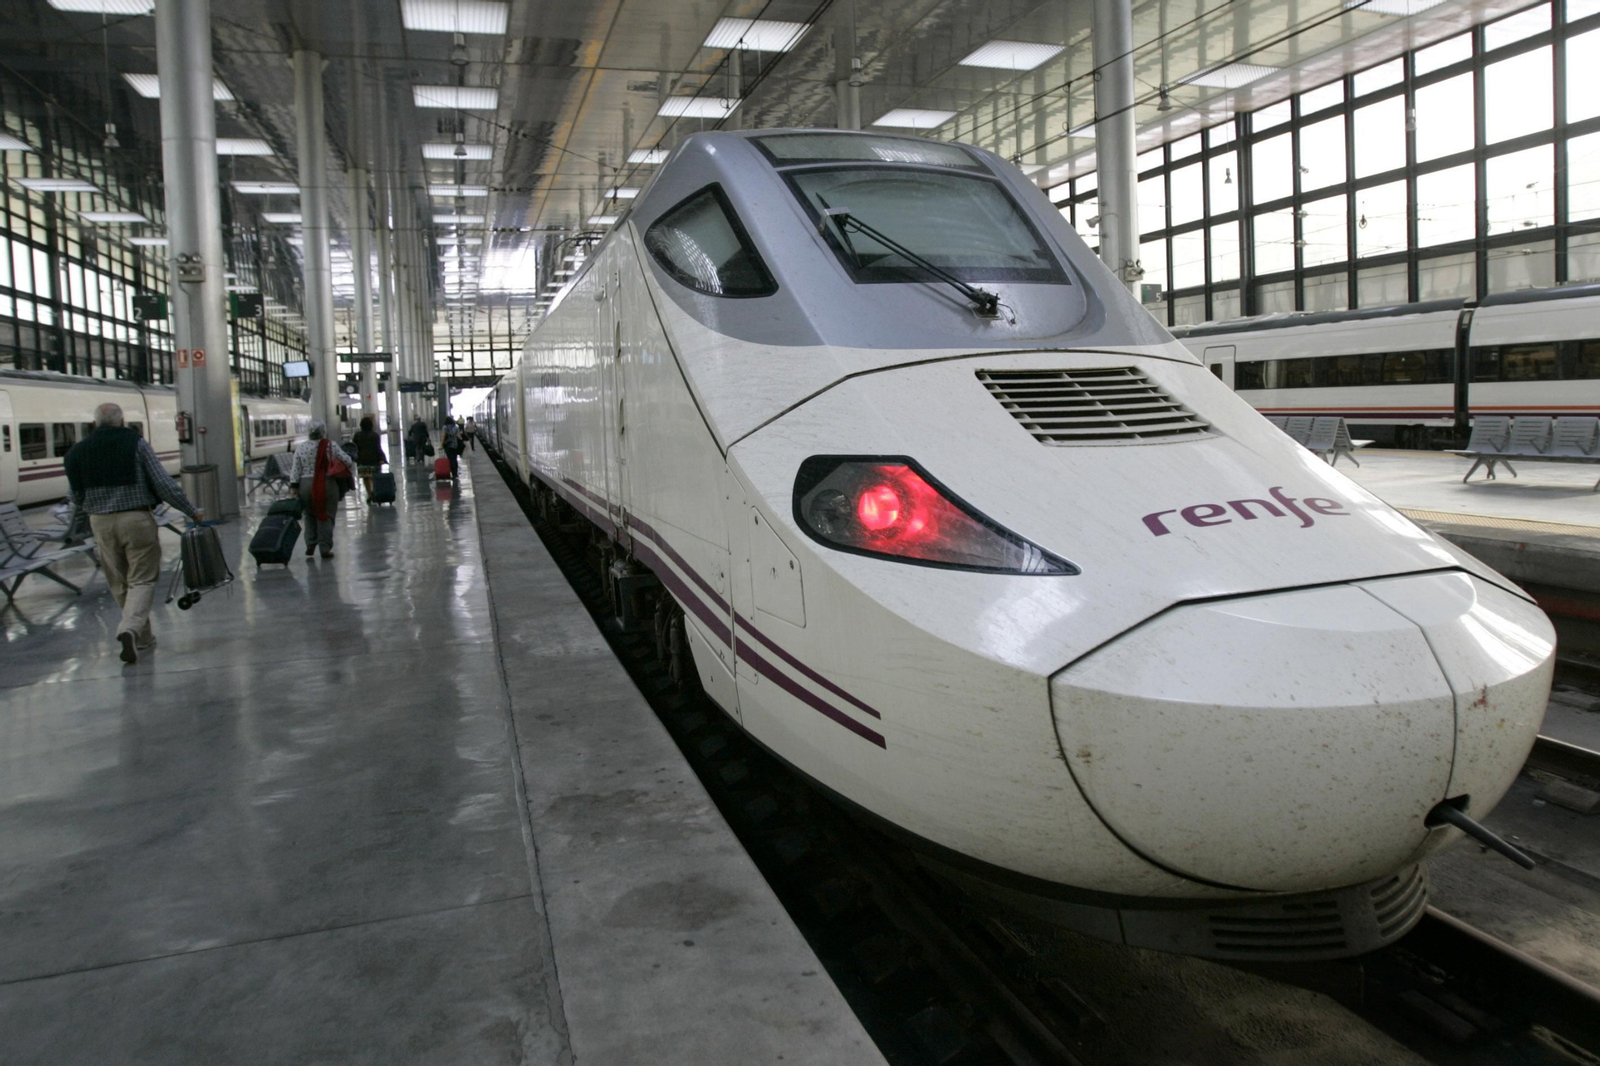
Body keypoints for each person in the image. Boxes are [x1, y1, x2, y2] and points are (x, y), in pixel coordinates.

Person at [64, 402, 203, 665]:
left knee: (119, 581)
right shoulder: (136, 444)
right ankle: (129, 629)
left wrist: (94, 510)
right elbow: (163, 484)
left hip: (100, 523)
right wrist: (191, 511)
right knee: (142, 580)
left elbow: (74, 496)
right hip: (136, 519)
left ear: (95, 424)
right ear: (122, 420)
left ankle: (142, 637)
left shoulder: (76, 452)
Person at [286, 421, 355, 559]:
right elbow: (348, 461)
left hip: (305, 486)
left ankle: (310, 544)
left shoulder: (301, 447)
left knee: (309, 515)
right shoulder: (330, 445)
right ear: (323, 432)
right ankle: (325, 548)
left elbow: (295, 470)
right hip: (326, 483)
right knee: (326, 516)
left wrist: (294, 487)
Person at [351, 416, 387, 504]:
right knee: (374, 477)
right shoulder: (375, 435)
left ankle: (370, 494)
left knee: (366, 478)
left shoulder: (357, 435)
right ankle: (375, 493)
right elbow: (378, 448)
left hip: (362, 460)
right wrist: (382, 458)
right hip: (374, 460)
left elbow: (354, 447)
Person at [440, 416, 463, 480]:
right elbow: (458, 436)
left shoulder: (445, 427)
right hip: (455, 445)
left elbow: (443, 436)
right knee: (454, 459)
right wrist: (461, 440)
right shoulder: (456, 427)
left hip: (448, 445)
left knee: (450, 459)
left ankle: (452, 473)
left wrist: (442, 445)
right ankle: (455, 474)